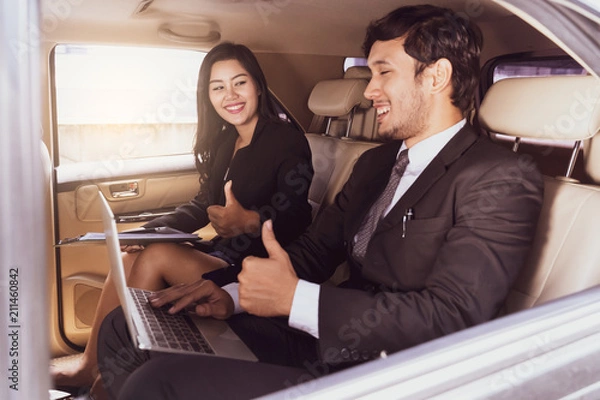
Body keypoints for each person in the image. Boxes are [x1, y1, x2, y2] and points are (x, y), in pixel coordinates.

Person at [97, 5, 544, 399]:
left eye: (384, 72)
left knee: (158, 383)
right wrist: (231, 294)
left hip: (383, 369)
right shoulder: (375, 163)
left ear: (437, 77)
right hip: (318, 335)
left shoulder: (498, 176)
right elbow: (313, 252)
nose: (369, 91)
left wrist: (296, 300)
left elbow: (452, 317)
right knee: (124, 327)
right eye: (369, 74)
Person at [52, 42, 314, 394]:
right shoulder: (226, 142)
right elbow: (202, 204)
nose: (230, 95)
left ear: (258, 85)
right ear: (207, 95)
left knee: (157, 256)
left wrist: (250, 222)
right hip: (225, 253)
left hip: (255, 268)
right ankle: (91, 365)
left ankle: (116, 375)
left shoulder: (286, 140)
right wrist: (149, 232)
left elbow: (299, 215)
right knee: (132, 251)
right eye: (218, 87)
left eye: (240, 83)